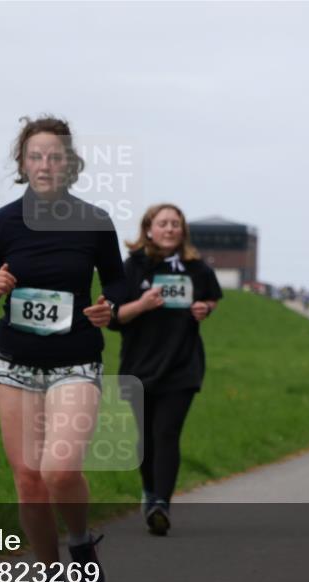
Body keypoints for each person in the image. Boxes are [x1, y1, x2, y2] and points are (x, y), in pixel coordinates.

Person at [0, 116, 126, 582]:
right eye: (36, 156)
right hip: (16, 365)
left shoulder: (94, 222)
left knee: (59, 469)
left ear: (70, 164)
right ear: (22, 163)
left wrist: (110, 308)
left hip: (75, 361)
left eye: (55, 156)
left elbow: (117, 286)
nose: (45, 164)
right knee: (29, 480)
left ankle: (80, 542)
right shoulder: (1, 224)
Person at [111, 203, 221, 536]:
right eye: (163, 223)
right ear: (149, 229)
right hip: (139, 365)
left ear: (183, 230)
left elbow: (211, 299)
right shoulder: (133, 266)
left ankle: (161, 504)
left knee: (167, 433)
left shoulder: (197, 268)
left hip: (181, 364)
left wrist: (204, 309)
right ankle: (149, 491)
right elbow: (115, 317)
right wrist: (142, 304)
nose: (170, 229)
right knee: (145, 439)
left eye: (176, 223)